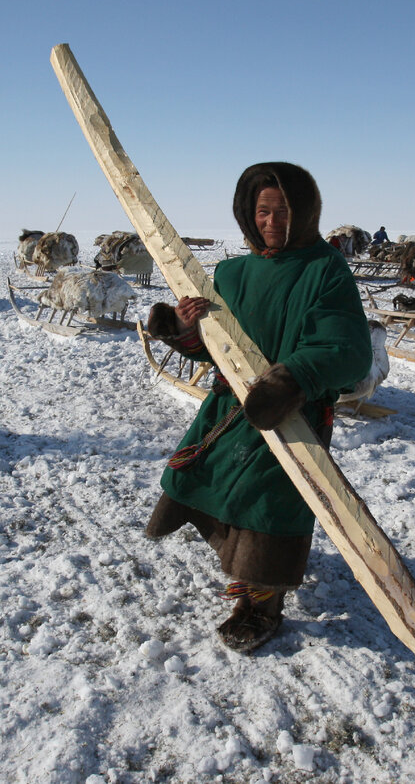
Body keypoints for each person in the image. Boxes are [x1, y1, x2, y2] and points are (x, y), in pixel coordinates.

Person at [144, 162, 373, 654]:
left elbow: (348, 349)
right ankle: (241, 569)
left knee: (271, 509)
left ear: (305, 212)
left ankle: (260, 601)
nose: (270, 220)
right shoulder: (231, 273)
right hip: (229, 410)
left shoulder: (324, 270)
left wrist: (292, 379)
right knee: (217, 490)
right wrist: (186, 328)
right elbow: (217, 347)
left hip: (290, 415)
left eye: (283, 210)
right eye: (261, 210)